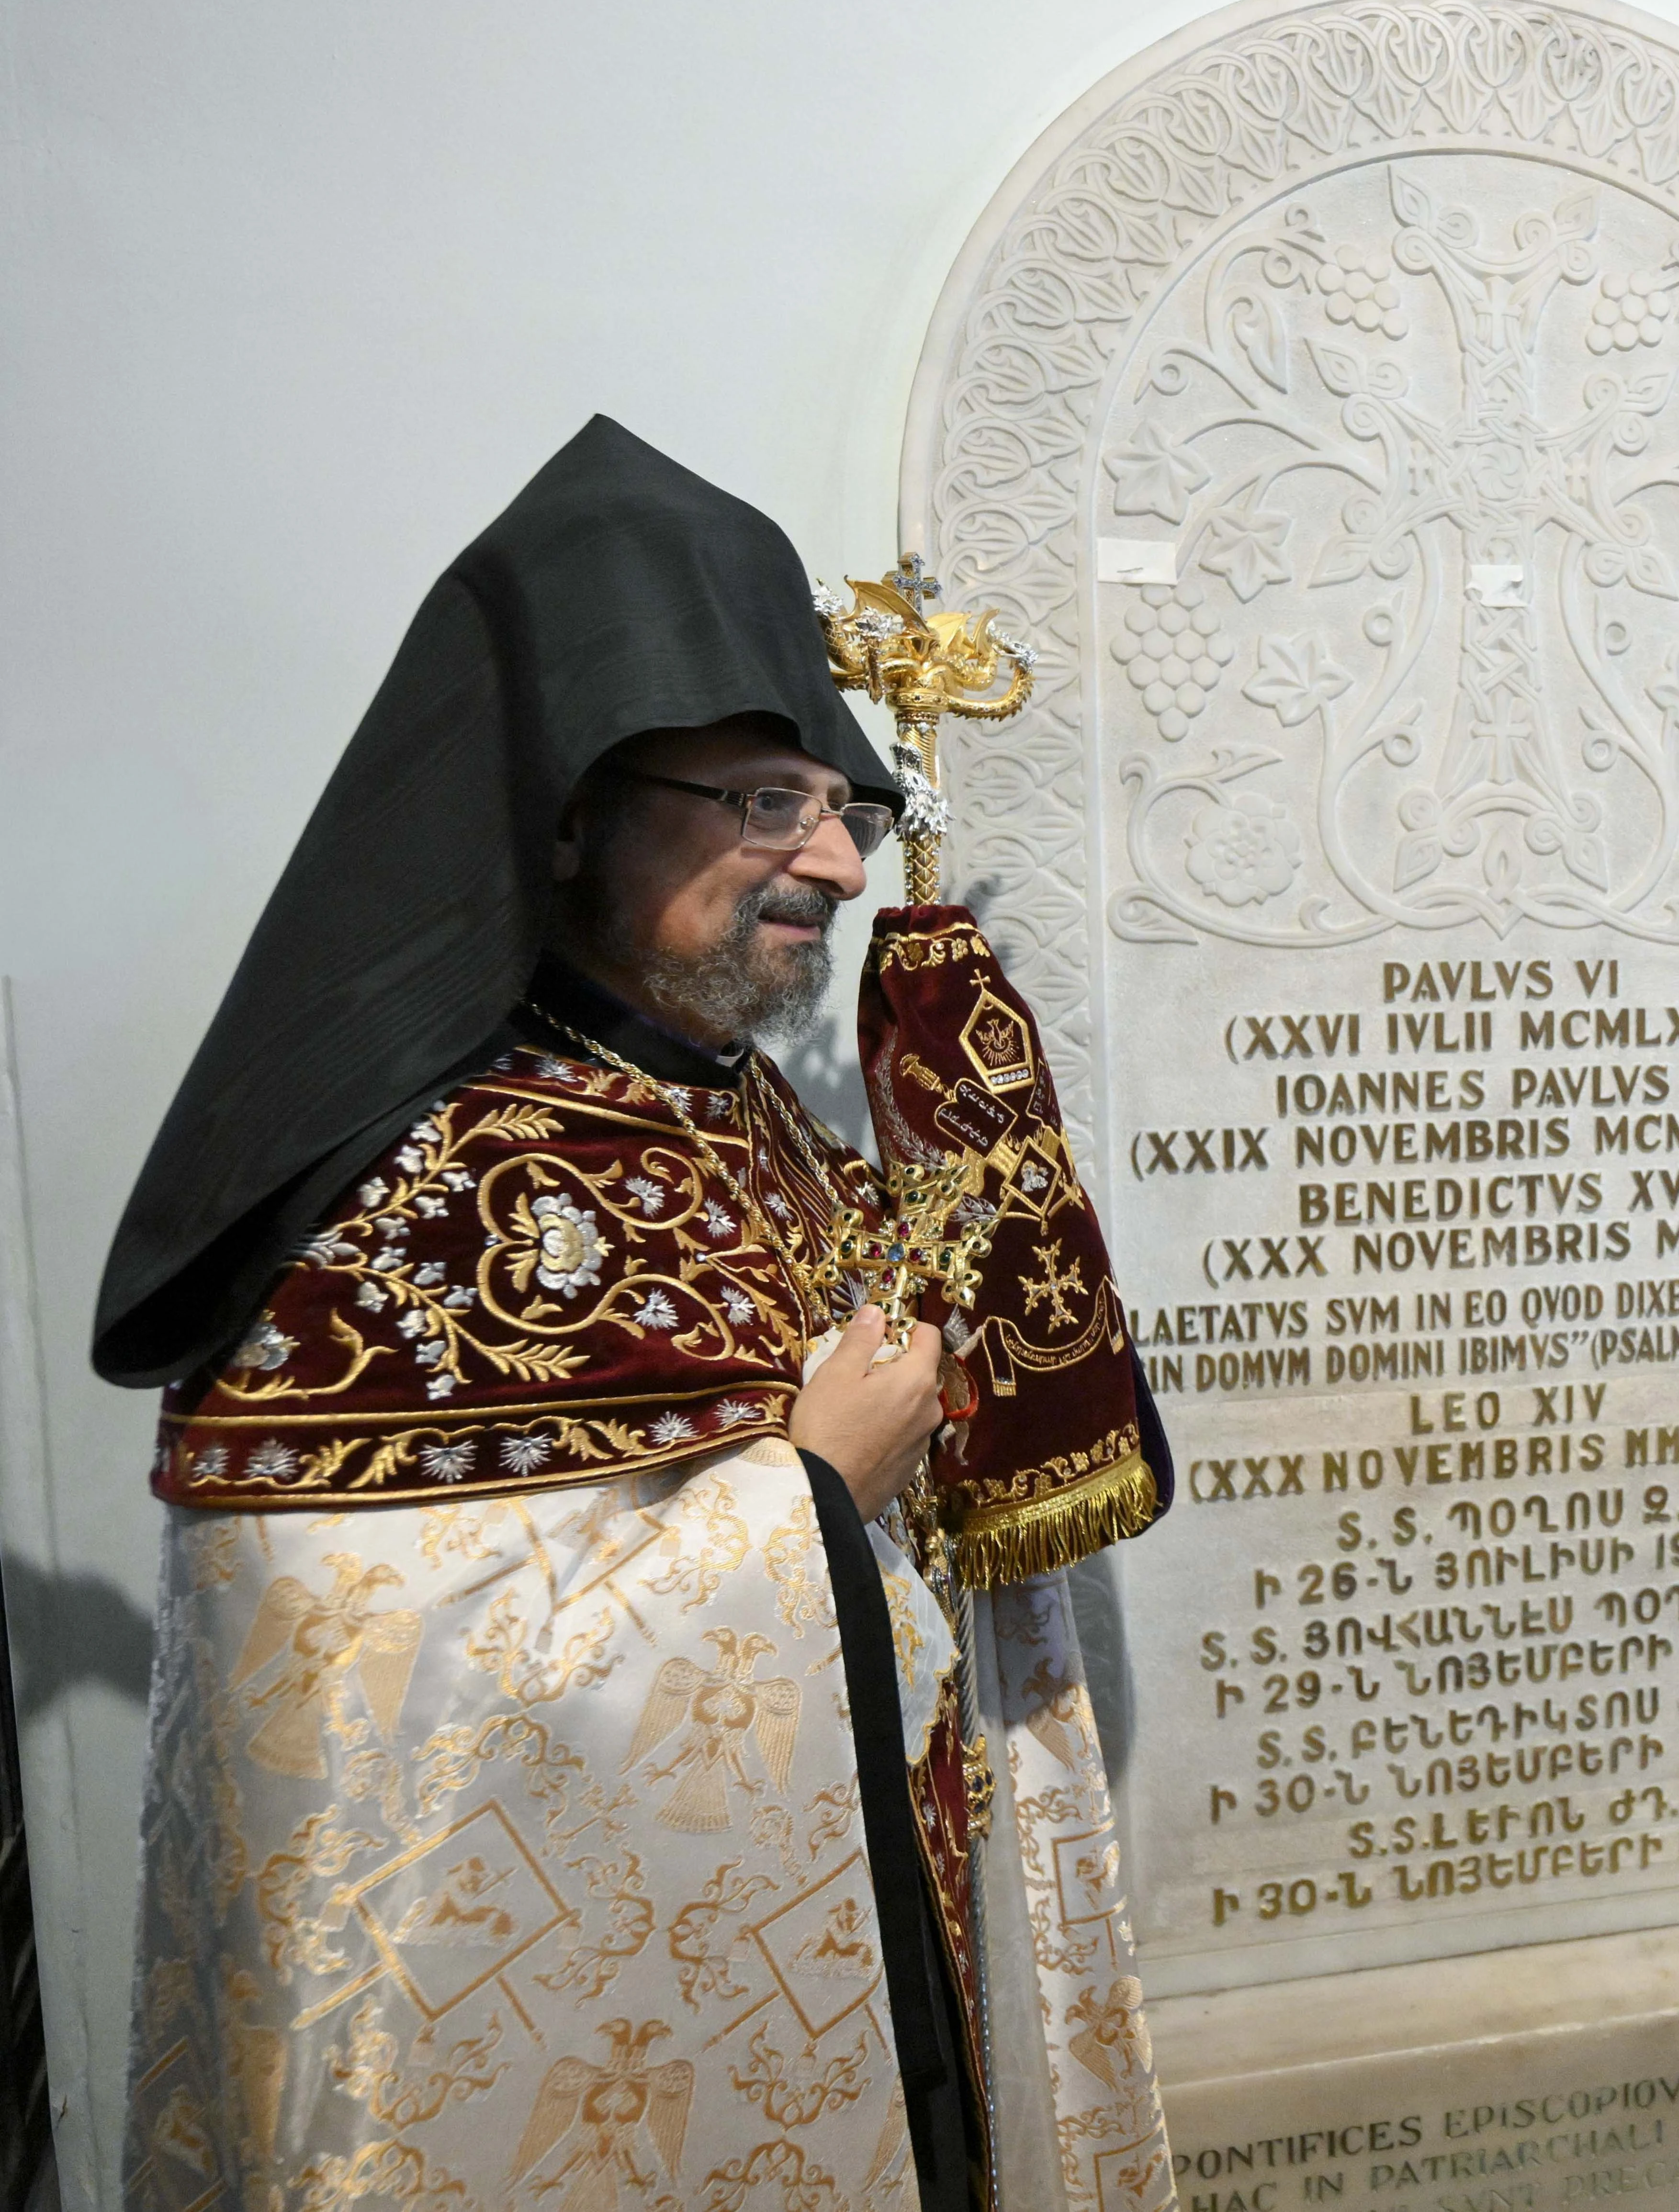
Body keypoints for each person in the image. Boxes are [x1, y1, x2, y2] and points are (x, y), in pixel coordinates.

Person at [102, 418, 1176, 2210]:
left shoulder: (763, 1126)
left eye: (849, 807)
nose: (835, 865)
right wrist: (806, 1503)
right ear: (578, 806)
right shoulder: (404, 1214)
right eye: (771, 799)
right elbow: (377, 1774)